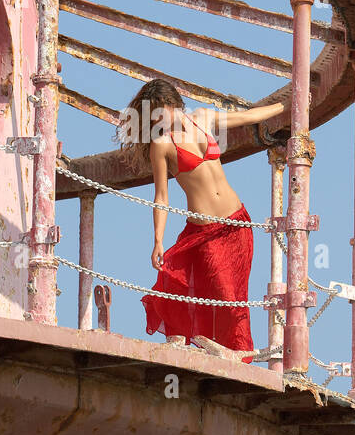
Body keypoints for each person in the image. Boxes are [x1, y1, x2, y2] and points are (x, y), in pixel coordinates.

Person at [118, 79, 285, 360]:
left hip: (239, 223)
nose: (160, 119)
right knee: (220, 291)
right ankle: (230, 354)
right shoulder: (161, 145)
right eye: (154, 115)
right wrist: (158, 240)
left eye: (163, 111)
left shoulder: (203, 118)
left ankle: (238, 357)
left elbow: (246, 117)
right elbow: (161, 195)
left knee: (236, 298)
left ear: (174, 105)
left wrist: (285, 106)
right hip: (206, 229)